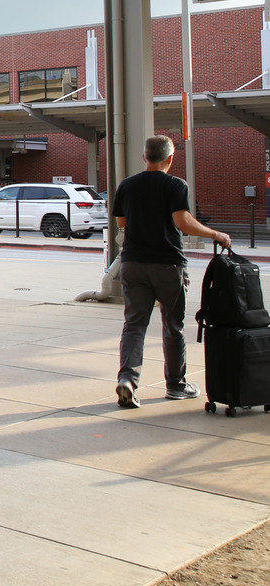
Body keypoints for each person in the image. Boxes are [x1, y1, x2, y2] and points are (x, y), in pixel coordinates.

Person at [112, 134, 231, 408]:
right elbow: (183, 222)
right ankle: (177, 385)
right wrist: (216, 234)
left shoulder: (127, 186)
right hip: (167, 265)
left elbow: (122, 222)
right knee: (173, 326)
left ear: (145, 157)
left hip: (133, 264)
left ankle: (127, 380)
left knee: (133, 325)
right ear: (170, 158)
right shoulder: (176, 185)